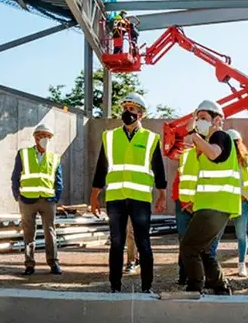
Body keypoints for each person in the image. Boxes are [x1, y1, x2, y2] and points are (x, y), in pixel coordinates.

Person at [90, 93, 167, 293]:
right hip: (115, 198)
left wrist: (162, 194)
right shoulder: (110, 136)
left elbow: (158, 168)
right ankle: (115, 286)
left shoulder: (150, 138)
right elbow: (101, 167)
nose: (127, 112)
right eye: (125, 108)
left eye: (132, 109)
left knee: (143, 242)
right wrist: (95, 195)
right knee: (116, 242)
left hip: (140, 199)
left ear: (140, 114)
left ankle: (146, 287)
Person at [179, 100, 239, 295]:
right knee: (204, 249)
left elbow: (214, 154)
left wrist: (192, 135)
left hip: (215, 206)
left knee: (189, 246)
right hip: (214, 205)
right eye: (198, 119)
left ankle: (195, 286)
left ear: (217, 120)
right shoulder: (211, 141)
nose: (199, 122)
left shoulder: (220, 136)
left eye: (204, 118)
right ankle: (220, 286)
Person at [10, 123, 63, 275]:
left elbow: (58, 180)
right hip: (27, 200)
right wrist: (17, 195)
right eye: (41, 135)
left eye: (47, 136)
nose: (44, 139)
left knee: (50, 232)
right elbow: (15, 176)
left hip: (48, 200)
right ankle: (29, 264)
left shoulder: (54, 157)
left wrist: (55, 197)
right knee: (28, 233)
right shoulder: (24, 154)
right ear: (35, 137)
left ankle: (53, 263)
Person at [172, 145, 221, 285]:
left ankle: (207, 278)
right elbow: (179, 181)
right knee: (185, 241)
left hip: (204, 206)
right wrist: (184, 203)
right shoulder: (186, 155)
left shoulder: (215, 156)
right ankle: (185, 275)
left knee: (206, 244)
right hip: (184, 206)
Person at [226, 129, 248, 277]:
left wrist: (245, 196)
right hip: (224, 201)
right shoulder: (222, 160)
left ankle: (241, 264)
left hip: (241, 201)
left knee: (240, 234)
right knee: (216, 234)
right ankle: (211, 264)